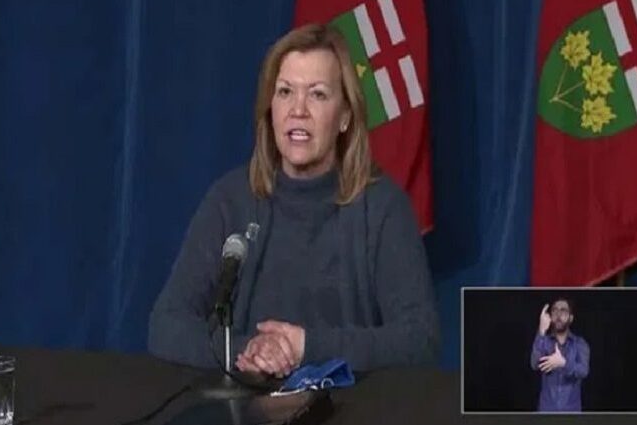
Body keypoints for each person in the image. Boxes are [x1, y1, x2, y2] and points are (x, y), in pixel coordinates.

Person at [148, 23, 440, 378]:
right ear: (270, 108)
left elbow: (420, 339)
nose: (297, 109)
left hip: (353, 404)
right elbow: (166, 325)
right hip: (245, 403)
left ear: (345, 117)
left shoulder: (383, 208)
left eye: (317, 94)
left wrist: (307, 348)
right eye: (285, 92)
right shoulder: (231, 200)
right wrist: (246, 351)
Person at [530, 298, 590, 412]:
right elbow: (534, 364)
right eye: (555, 310)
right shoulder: (544, 341)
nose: (558, 314)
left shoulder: (580, 343)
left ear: (571, 318)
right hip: (546, 411)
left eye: (563, 310)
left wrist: (563, 364)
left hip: (571, 412)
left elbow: (583, 371)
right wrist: (541, 331)